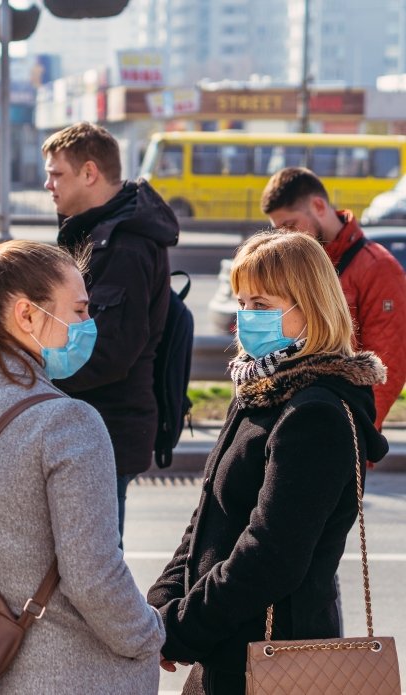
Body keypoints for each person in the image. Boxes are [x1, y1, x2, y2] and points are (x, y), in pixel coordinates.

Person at [0, 238, 164, 694]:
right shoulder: (66, 423)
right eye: (78, 310)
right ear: (27, 315)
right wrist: (149, 634)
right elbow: (94, 578)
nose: (88, 324)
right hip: (64, 674)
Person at [147, 231, 388, 695]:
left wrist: (179, 628)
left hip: (275, 659)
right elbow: (207, 518)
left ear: (311, 306)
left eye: (261, 304)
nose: (245, 318)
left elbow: (271, 555)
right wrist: (161, 609)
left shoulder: (313, 413)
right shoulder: (261, 392)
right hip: (225, 645)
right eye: (241, 303)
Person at [41, 122, 179, 539]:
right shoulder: (92, 232)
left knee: (95, 573)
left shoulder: (123, 246)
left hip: (105, 429)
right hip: (93, 425)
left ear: (89, 173)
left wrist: (33, 372)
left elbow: (109, 352)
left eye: (56, 174)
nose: (47, 185)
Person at [261, 166, 406, 430]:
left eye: (290, 225)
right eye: (278, 229)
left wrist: (357, 433)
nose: (286, 236)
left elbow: (387, 365)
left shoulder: (378, 267)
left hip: (339, 426)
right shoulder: (293, 263)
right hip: (285, 421)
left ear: (318, 205)